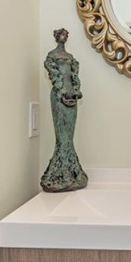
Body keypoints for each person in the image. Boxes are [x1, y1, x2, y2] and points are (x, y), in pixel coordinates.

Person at [40, 29, 88, 192]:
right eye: (63, 35)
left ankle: (72, 173)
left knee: (69, 134)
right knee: (62, 136)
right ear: (57, 37)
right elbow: (54, 75)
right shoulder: (52, 56)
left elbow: (74, 76)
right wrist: (61, 90)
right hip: (59, 96)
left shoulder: (70, 58)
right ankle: (58, 174)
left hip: (72, 96)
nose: (65, 37)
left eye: (67, 35)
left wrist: (75, 90)